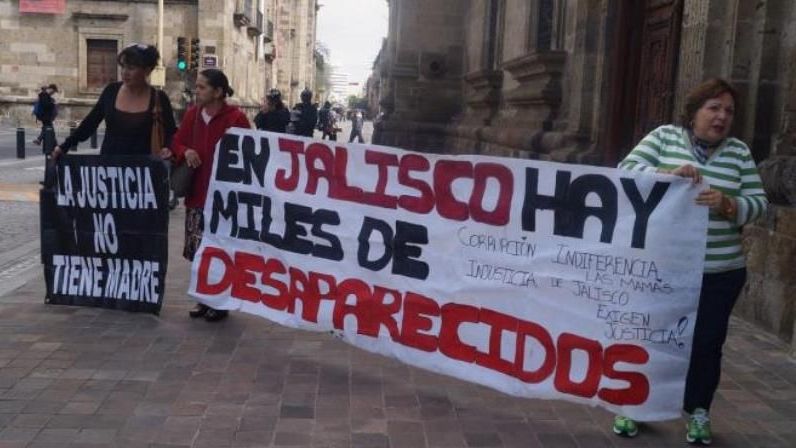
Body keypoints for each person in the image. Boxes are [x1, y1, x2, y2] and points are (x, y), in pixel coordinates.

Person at [613, 78, 768, 445]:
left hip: (720, 272)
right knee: (652, 337)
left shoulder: (738, 153)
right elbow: (626, 169)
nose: (721, 117)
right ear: (694, 111)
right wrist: (668, 175)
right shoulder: (664, 138)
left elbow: (759, 203)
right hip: (664, 268)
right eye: (713, 108)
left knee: (706, 345)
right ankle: (635, 405)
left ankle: (698, 411)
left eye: (729, 111)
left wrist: (729, 204)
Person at [164, 69, 251, 322]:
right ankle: (203, 298)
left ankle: (219, 302)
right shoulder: (193, 115)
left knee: (221, 250)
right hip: (197, 195)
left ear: (218, 92)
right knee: (198, 251)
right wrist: (185, 151)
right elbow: (176, 141)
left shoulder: (236, 118)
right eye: (197, 86)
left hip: (224, 199)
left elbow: (250, 152)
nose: (197, 91)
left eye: (202, 87)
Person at [52, 44, 176, 159]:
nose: (125, 72)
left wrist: (167, 148)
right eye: (123, 67)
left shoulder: (159, 98)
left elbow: (170, 132)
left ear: (147, 71)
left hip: (143, 169)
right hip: (109, 166)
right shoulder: (111, 91)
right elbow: (90, 123)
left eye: (131, 68)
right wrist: (64, 146)